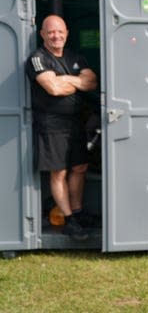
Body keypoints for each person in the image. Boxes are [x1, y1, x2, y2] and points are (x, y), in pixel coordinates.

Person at [26, 15, 98, 241]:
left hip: (75, 122)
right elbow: (54, 89)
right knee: (59, 171)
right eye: (50, 32)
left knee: (79, 167)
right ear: (43, 35)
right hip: (51, 124)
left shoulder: (74, 56)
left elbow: (92, 82)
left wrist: (65, 79)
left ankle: (77, 213)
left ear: (66, 32)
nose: (56, 36)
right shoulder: (37, 58)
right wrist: (76, 81)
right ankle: (68, 220)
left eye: (59, 32)